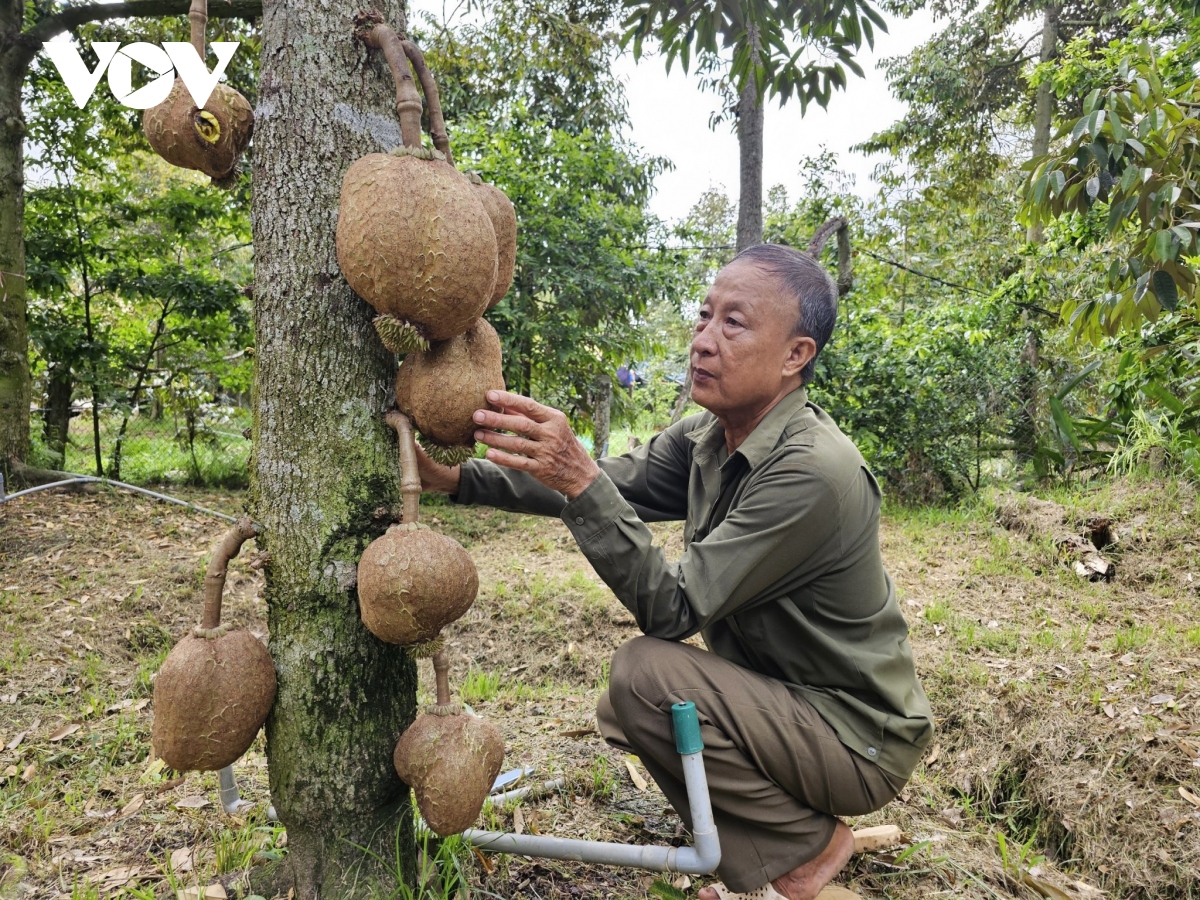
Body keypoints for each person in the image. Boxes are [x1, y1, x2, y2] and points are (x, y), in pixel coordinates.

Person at [415, 243, 933, 900]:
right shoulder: (707, 438)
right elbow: (604, 486)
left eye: (734, 324)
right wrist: (458, 479)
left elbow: (673, 610)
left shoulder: (812, 472)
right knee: (628, 707)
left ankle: (804, 850)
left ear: (795, 356)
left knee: (644, 676)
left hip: (856, 738)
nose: (703, 342)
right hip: (788, 704)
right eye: (703, 317)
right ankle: (777, 851)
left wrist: (578, 476)